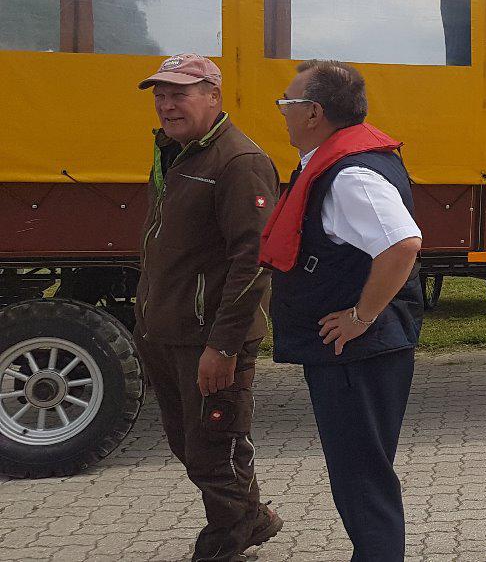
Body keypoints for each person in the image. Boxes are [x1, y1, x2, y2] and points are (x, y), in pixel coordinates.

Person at [260, 59, 425, 562]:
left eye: (287, 103)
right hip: (356, 352)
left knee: (362, 481)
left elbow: (402, 244)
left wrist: (359, 317)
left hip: (358, 353)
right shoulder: (337, 162)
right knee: (360, 476)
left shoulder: (351, 174)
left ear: (313, 113)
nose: (282, 113)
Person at [134, 53, 283, 562]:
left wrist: (222, 346)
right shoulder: (175, 152)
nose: (167, 105)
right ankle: (251, 517)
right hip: (167, 330)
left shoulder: (238, 162)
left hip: (210, 338)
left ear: (213, 97)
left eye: (180, 94)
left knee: (211, 450)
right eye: (160, 95)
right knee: (194, 443)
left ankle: (229, 536)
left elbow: (254, 263)